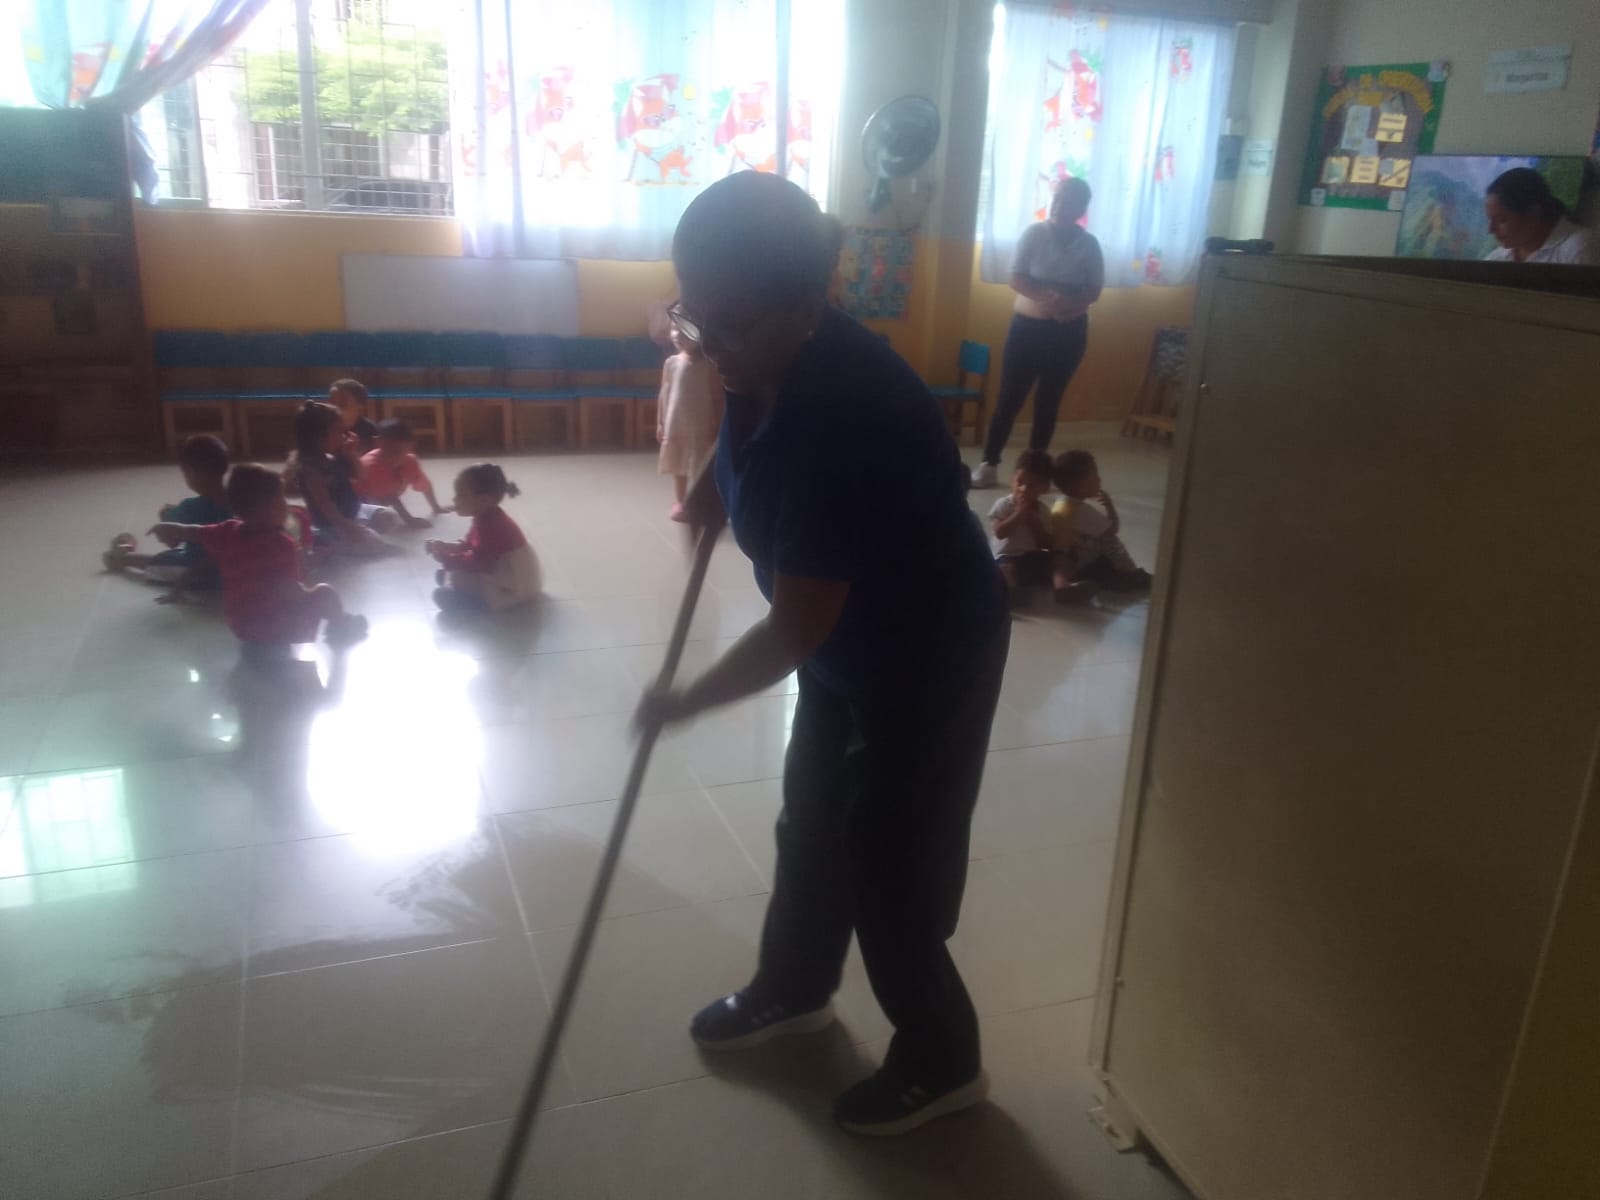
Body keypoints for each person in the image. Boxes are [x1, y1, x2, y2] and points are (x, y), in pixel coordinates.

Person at [636, 171, 1010, 1137]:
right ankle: (795, 988)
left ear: (810, 306)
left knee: (893, 865)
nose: (705, 344)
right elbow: (746, 433)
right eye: (690, 315)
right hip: (850, 645)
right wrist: (716, 490)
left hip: (925, 657)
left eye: (727, 326)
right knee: (811, 824)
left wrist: (686, 699)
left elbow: (793, 628)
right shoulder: (753, 352)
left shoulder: (844, 418)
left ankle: (943, 1060)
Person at [148, 462, 368, 652]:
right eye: (282, 499)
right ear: (268, 507)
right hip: (277, 628)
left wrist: (167, 527)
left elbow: (193, 532)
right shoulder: (280, 544)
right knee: (325, 592)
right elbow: (290, 591)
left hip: (242, 627)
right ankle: (341, 627)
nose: (287, 506)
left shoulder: (226, 531)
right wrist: (310, 594)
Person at [972, 177, 1103, 488]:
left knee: (1048, 401)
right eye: (1057, 197)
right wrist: (1045, 297)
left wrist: (1069, 305)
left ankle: (1036, 470)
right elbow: (1016, 277)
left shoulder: (1089, 244)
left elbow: (1094, 290)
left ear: (1081, 209)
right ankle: (989, 464)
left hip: (1068, 335)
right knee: (1009, 398)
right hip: (1027, 332)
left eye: (1068, 201)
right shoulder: (1033, 233)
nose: (1059, 205)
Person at [103, 434, 232, 602]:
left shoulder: (189, 507)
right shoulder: (239, 499)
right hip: (231, 566)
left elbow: (171, 540)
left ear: (191, 472)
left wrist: (165, 513)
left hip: (198, 572)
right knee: (184, 550)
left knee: (156, 562)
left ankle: (122, 557)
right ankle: (125, 552)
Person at [426, 463, 541, 615]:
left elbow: (479, 563)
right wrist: (447, 547)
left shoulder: (492, 526)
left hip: (512, 587)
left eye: (460, 495)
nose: (454, 499)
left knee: (444, 590)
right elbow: (470, 544)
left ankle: (475, 602)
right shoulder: (485, 516)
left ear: (484, 500)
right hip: (501, 571)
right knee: (449, 573)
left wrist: (447, 560)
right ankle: (459, 585)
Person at [292, 401, 397, 556]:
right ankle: (330, 546)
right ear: (318, 437)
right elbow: (326, 505)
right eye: (338, 431)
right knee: (373, 546)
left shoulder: (333, 457)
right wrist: (346, 526)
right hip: (332, 522)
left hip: (355, 510)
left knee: (388, 517)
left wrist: (351, 454)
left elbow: (360, 476)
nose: (344, 436)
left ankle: (358, 534)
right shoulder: (310, 470)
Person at [1051, 450, 1152, 592]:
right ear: (1080, 486)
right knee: (1108, 538)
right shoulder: (1083, 511)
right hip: (1082, 565)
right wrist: (1110, 507)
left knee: (1096, 535)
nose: (1099, 480)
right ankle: (1130, 573)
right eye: (1095, 476)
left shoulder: (1059, 503)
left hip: (1064, 561)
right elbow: (1113, 528)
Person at [656, 325, 721, 521]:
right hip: (675, 425)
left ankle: (700, 503)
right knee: (678, 466)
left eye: (684, 331)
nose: (677, 335)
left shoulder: (709, 365)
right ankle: (681, 503)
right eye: (674, 329)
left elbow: (717, 397)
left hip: (700, 426)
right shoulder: (671, 363)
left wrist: (718, 423)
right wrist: (660, 422)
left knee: (699, 467)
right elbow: (664, 393)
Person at [1484, 168, 1600, 265]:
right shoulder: (1497, 257)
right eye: (1490, 220)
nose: (1491, 229)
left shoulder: (1579, 248)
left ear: (1533, 213)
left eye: (1501, 220)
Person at [986, 448, 1056, 608]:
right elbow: (999, 532)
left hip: (1029, 557)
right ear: (1013, 480)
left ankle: (1062, 585)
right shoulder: (1004, 504)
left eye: (1032, 485)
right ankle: (1010, 592)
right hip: (1006, 556)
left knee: (1055, 560)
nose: (1023, 489)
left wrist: (1035, 524)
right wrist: (1018, 514)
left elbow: (1046, 544)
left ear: (1044, 488)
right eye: (1020, 482)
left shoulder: (1043, 510)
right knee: (1006, 569)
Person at [359, 418, 450, 528]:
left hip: (381, 498)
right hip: (358, 501)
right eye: (386, 450)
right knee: (381, 522)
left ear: (410, 447)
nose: (391, 457)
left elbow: (425, 485)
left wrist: (436, 507)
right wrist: (409, 520)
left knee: (384, 516)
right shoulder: (371, 465)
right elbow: (390, 497)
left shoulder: (410, 461)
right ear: (378, 442)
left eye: (397, 451)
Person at [328, 378, 380, 455]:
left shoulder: (371, 432)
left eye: (342, 404)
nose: (335, 408)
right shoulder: (322, 430)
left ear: (360, 404)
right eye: (332, 403)